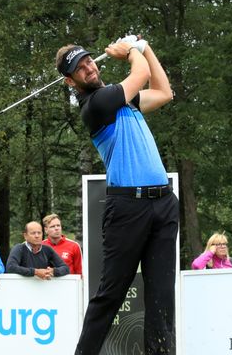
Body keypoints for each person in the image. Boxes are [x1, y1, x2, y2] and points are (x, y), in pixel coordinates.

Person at [57, 36, 179, 355]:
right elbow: (139, 76)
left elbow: (165, 92)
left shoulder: (125, 102)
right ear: (71, 81)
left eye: (88, 60)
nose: (88, 67)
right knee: (111, 295)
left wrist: (146, 47)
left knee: (162, 296)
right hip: (128, 208)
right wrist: (131, 52)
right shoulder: (97, 104)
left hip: (163, 204)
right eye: (79, 69)